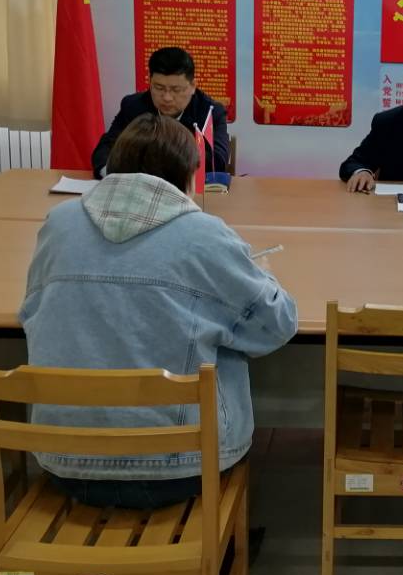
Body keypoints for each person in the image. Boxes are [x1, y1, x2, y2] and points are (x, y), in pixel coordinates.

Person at [22, 114, 297, 509]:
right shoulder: (205, 234)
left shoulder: (58, 225)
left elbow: (31, 311)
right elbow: (276, 325)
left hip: (66, 463)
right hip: (184, 468)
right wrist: (261, 275)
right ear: (187, 176)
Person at [91, 47, 230, 178]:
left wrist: (150, 163)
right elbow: (105, 150)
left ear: (193, 86)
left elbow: (217, 162)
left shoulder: (210, 112)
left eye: (176, 90)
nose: (167, 98)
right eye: (159, 88)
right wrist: (110, 174)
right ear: (150, 81)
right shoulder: (133, 106)